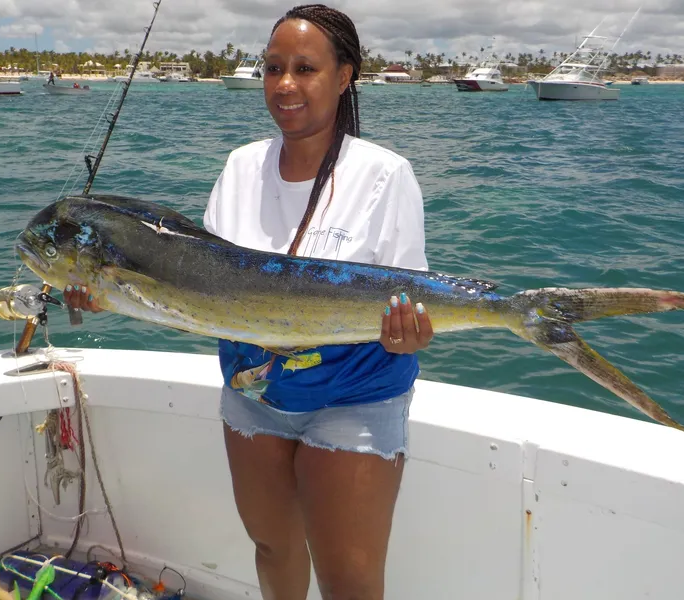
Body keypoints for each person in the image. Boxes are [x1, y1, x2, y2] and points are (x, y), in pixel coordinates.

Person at [64, 4, 434, 598]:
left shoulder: (385, 175)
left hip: (355, 395)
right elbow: (200, 290)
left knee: (349, 579)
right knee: (272, 547)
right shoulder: (239, 168)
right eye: (273, 68)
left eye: (305, 69)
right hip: (253, 391)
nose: (285, 85)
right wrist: (109, 294)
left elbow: (407, 297)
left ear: (345, 77)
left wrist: (408, 331)